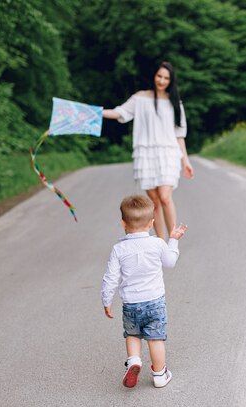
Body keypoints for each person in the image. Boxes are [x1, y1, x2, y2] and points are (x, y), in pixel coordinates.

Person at [101, 194, 188, 388]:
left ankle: (134, 360)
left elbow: (110, 277)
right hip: (155, 302)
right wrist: (173, 241)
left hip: (131, 303)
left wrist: (106, 300)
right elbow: (170, 262)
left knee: (132, 334)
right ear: (151, 223)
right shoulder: (157, 243)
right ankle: (159, 374)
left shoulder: (118, 249)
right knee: (155, 338)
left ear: (123, 223)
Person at [102, 62, 194, 240]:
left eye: (166, 78)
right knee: (154, 202)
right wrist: (97, 113)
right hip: (146, 153)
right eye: (159, 76)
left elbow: (179, 135)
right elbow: (119, 113)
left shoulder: (175, 103)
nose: (162, 80)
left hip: (168, 152)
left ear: (171, 81)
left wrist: (186, 161)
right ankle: (160, 241)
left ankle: (173, 239)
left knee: (165, 196)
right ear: (154, 76)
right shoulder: (140, 98)